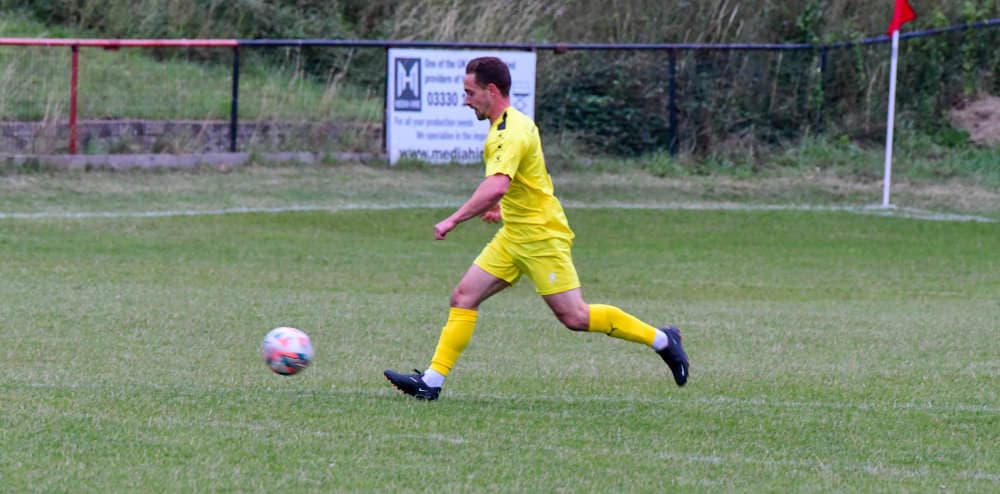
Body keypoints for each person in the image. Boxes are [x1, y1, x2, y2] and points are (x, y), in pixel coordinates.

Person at [384, 56, 688, 400]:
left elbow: (496, 185)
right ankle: (431, 383)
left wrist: (454, 219)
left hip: (541, 236)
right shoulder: (515, 122)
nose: (465, 101)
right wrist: (503, 208)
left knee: (575, 316)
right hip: (514, 234)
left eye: (470, 93)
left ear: (491, 90)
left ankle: (663, 340)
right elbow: (528, 178)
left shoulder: (509, 133)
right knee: (464, 297)